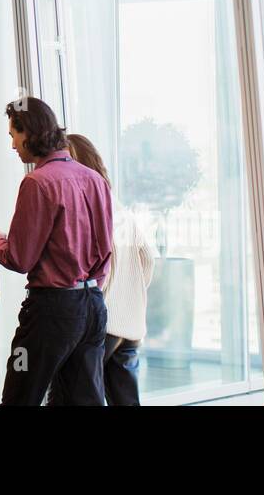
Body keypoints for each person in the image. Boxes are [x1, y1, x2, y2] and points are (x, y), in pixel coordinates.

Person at [0, 98, 113, 405]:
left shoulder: (37, 183)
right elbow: (106, 250)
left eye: (13, 136)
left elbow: (19, 258)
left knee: (20, 395)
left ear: (28, 133)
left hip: (51, 312)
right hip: (92, 307)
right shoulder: (94, 179)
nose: (13, 145)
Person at [67, 133, 156, 406]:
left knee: (76, 395)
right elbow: (148, 263)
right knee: (127, 401)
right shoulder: (124, 215)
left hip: (103, 325)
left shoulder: (88, 213)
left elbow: (94, 273)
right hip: (131, 326)